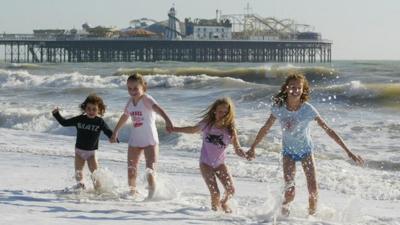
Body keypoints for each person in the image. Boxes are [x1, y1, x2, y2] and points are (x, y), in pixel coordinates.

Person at [247, 72, 364, 216]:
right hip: (288, 153)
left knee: (313, 190)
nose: (295, 90)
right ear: (286, 88)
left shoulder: (308, 109)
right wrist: (253, 147)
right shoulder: (279, 108)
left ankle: (311, 218)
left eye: (298, 88)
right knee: (290, 192)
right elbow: (265, 128)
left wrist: (348, 151)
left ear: (303, 90)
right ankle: (284, 216)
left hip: (306, 152)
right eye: (292, 87)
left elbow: (328, 129)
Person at [172, 97, 247, 213]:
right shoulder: (207, 124)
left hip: (220, 164)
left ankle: (223, 203)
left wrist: (246, 154)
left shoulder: (230, 130)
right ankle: (214, 216)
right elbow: (192, 129)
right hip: (205, 163)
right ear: (214, 111)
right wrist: (174, 129)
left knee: (231, 190)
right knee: (215, 192)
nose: (223, 114)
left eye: (226, 112)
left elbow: (237, 149)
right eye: (220, 111)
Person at [111, 73, 173, 199]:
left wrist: (168, 121)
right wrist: (115, 131)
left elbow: (159, 109)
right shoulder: (130, 102)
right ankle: (132, 193)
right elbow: (125, 116)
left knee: (150, 170)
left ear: (143, 87)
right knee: (131, 169)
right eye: (129, 88)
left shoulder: (146, 99)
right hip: (135, 140)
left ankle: (151, 195)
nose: (132, 91)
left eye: (135, 88)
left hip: (150, 140)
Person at [52, 94, 113, 190]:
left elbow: (108, 131)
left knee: (95, 176)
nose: (91, 111)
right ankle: (80, 189)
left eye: (94, 109)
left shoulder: (100, 122)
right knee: (78, 173)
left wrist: (114, 138)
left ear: (99, 110)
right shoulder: (80, 119)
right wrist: (56, 114)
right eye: (88, 108)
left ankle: (98, 192)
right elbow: (64, 123)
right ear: (85, 108)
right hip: (79, 152)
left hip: (92, 153)